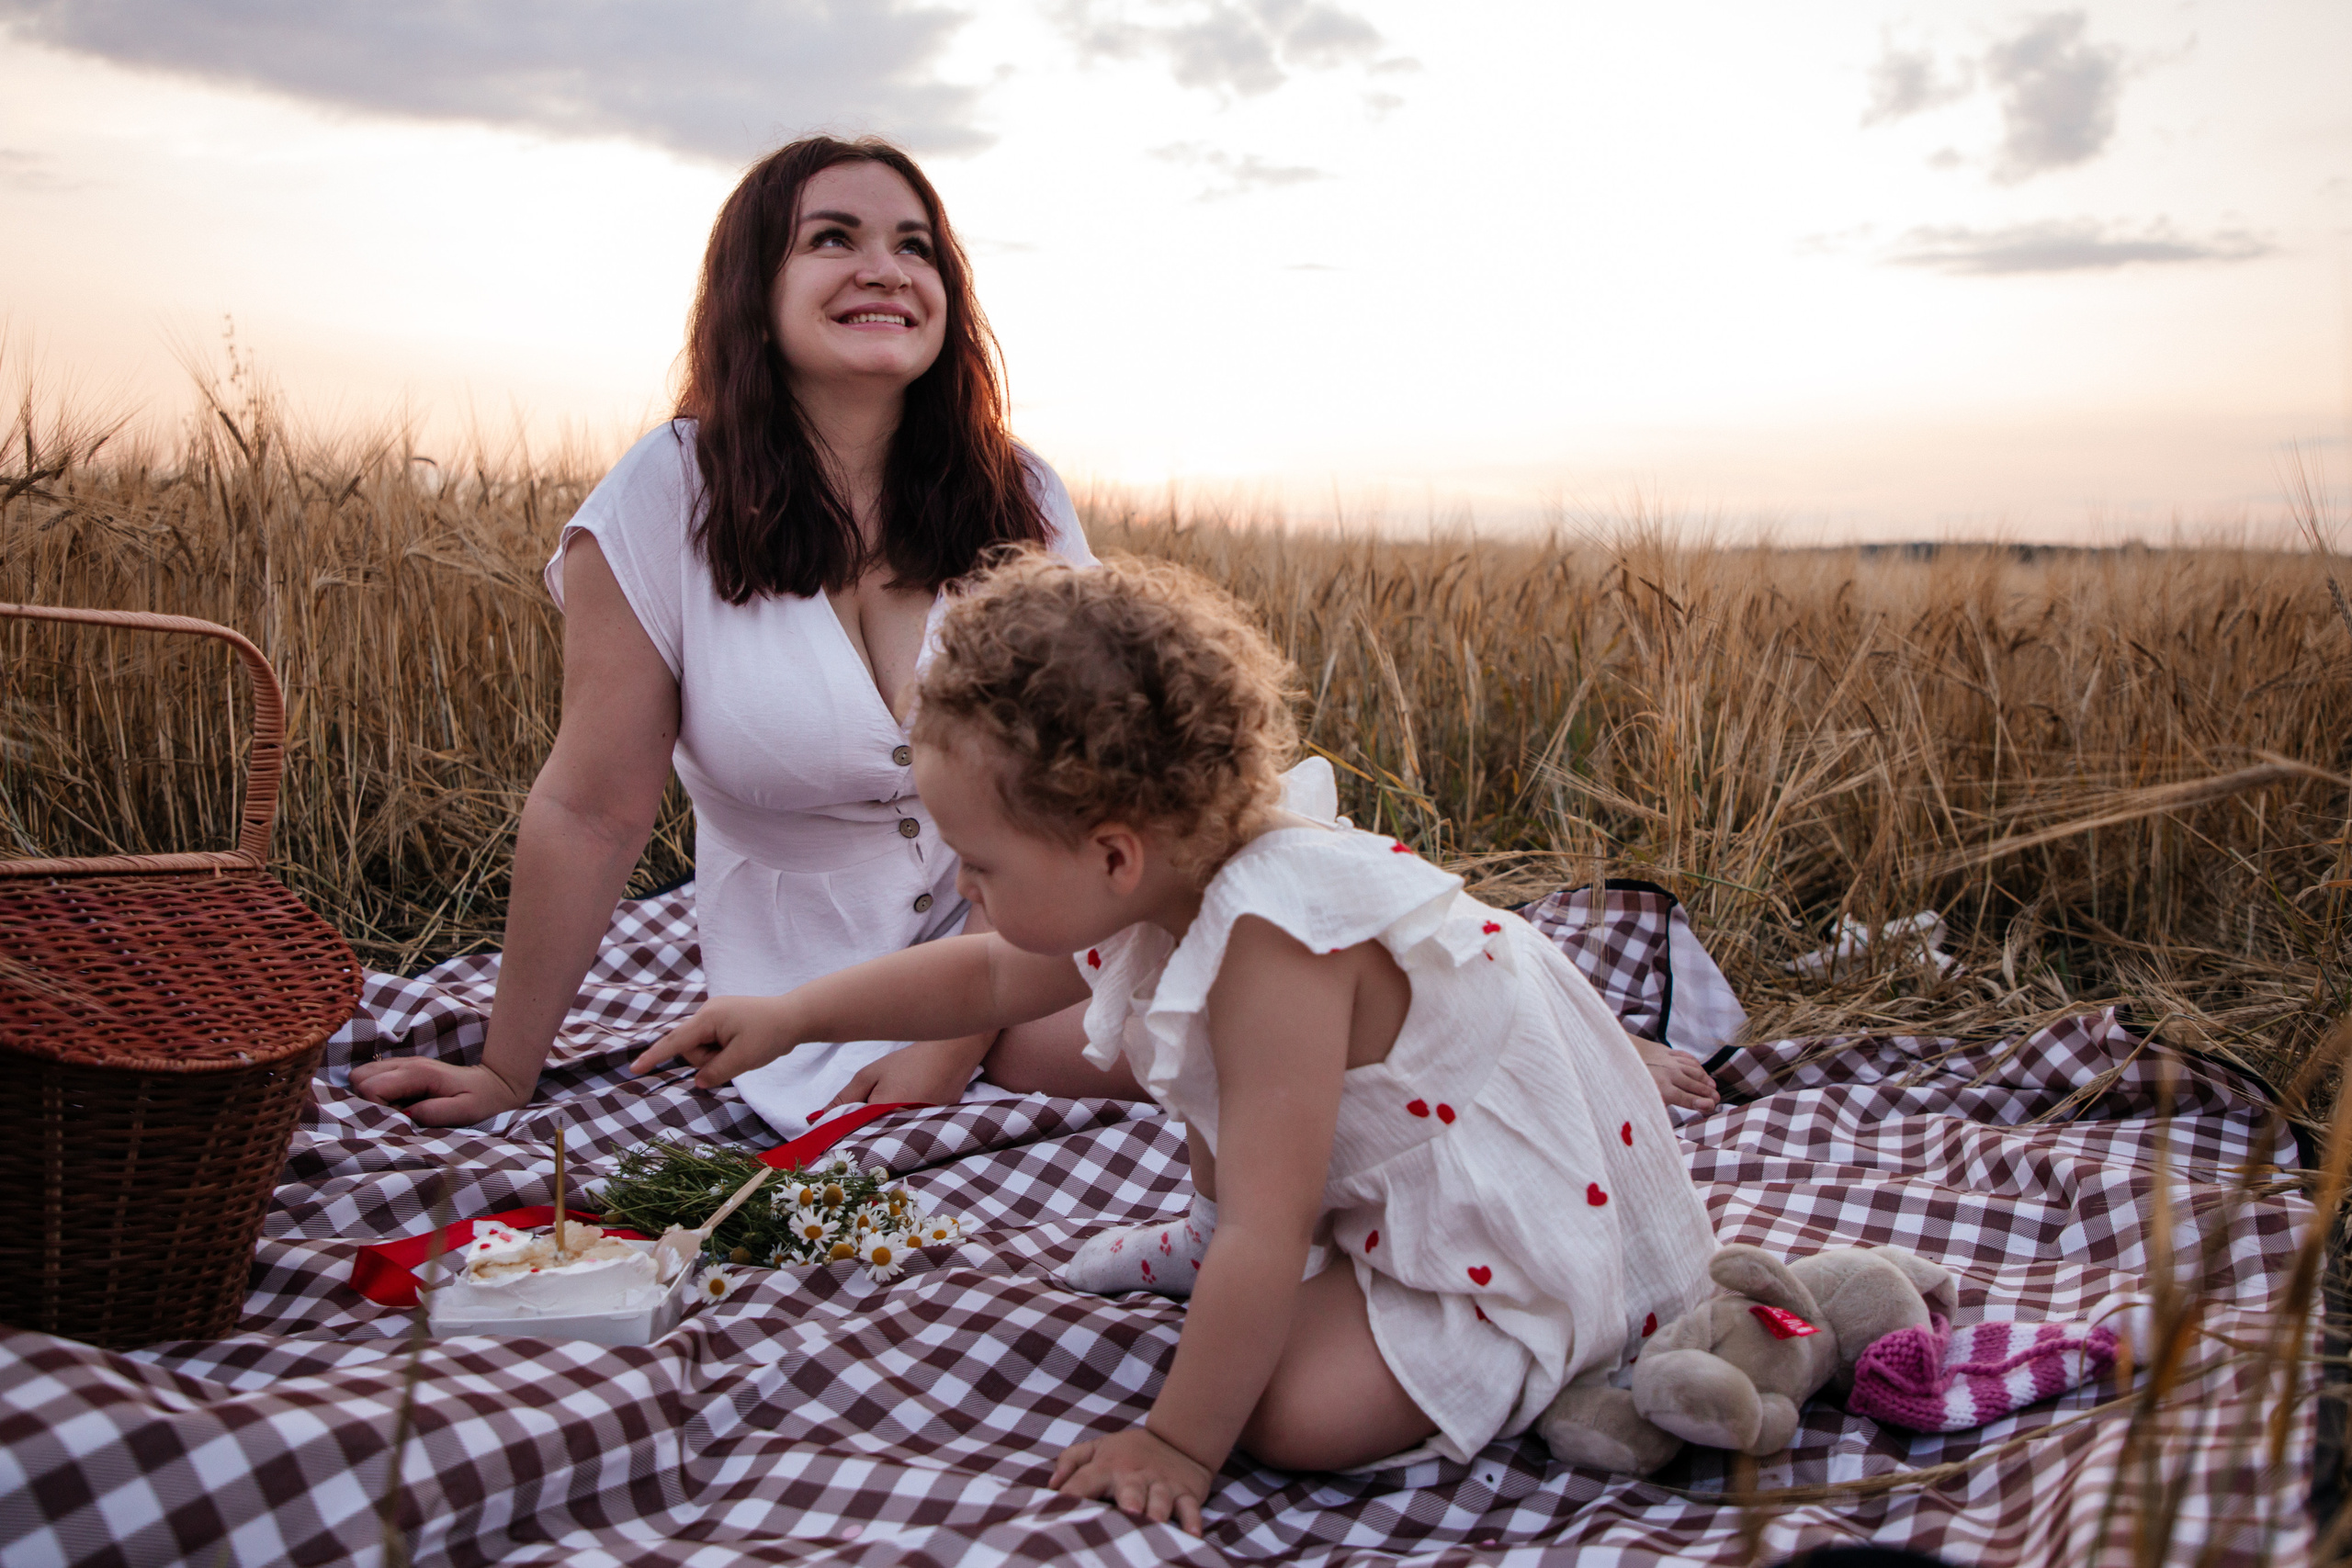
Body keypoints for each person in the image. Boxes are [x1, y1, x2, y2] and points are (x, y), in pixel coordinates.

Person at [630, 554, 1722, 1531]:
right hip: (1371, 1168)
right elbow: (987, 975)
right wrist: (793, 1016)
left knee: (1288, 1412)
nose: (963, 885)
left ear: (1112, 856)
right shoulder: (1173, 868)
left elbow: (1265, 1224)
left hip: (1499, 1224)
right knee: (1195, 1059)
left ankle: (1539, 1341)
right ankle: (1219, 1255)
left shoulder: (1272, 947)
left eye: (982, 863)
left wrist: (1181, 1441)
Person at [352, 137, 1134, 1130]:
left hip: (1031, 938)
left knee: (1256, 1009)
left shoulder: (1016, 493)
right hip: (804, 987)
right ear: (754, 287)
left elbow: (1072, 784)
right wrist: (507, 1073)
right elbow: (592, 811)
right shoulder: (667, 495)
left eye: (915, 246)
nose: (885, 270)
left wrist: (951, 1040)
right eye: (833, 238)